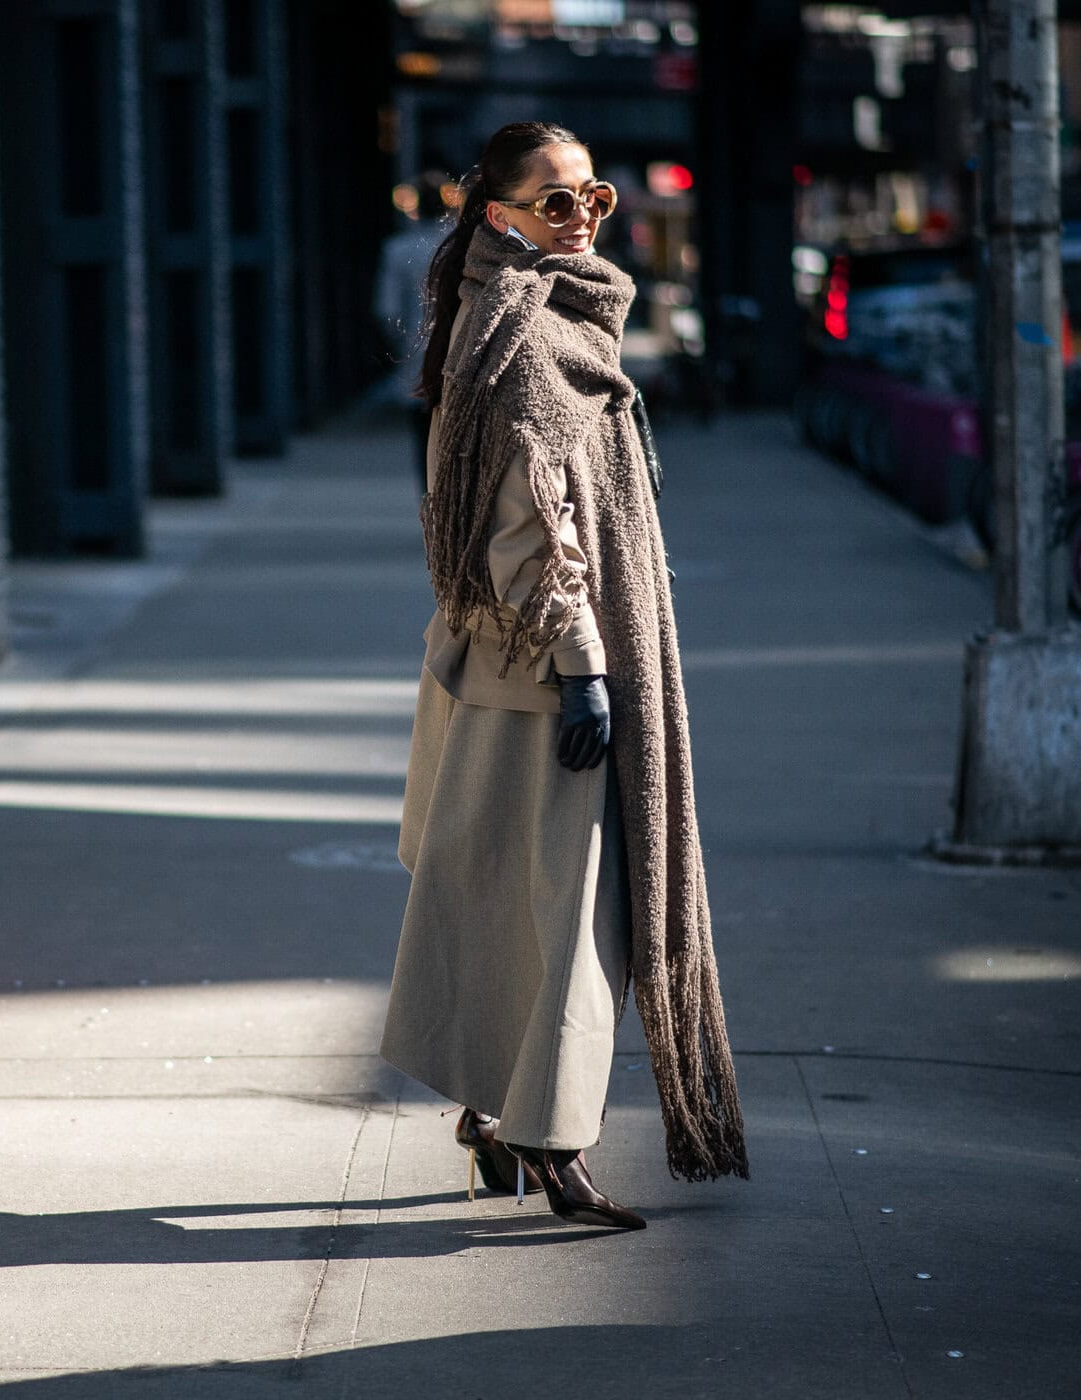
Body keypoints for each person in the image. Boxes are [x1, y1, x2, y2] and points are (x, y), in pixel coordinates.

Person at [378, 122, 749, 1229]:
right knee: (584, 915)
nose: (581, 217)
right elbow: (527, 529)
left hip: (498, 671)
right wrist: (589, 670)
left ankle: (496, 1119)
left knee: (508, 906)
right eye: (555, 203)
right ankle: (553, 1139)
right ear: (496, 214)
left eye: (593, 198)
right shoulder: (526, 333)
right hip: (547, 679)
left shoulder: (518, 311)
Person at [375, 171, 450, 491]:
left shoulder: (398, 249)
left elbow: (386, 309)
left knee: (424, 444)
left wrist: (399, 346)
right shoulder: (462, 246)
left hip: (417, 357)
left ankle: (430, 508)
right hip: (462, 354)